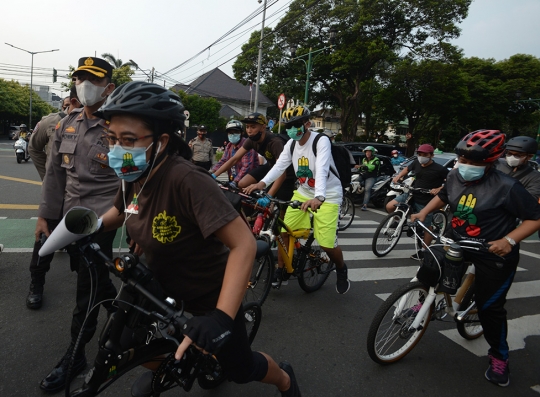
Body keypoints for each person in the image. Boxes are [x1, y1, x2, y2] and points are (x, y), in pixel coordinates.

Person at [93, 81, 301, 397]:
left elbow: (243, 244)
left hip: (209, 295)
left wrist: (219, 317)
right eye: (112, 139)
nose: (117, 149)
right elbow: (120, 213)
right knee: (126, 343)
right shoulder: (135, 176)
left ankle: (284, 379)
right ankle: (186, 357)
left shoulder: (185, 179)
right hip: (160, 288)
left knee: (240, 369)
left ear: (161, 141)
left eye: (129, 140)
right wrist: (87, 229)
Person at [411, 129, 540, 387]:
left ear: (491, 160)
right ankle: (424, 303)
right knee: (429, 268)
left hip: (492, 252)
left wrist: (509, 240)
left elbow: (534, 218)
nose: (465, 166)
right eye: (463, 159)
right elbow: (443, 196)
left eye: (474, 162)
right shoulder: (455, 175)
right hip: (458, 240)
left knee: (490, 307)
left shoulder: (508, 186)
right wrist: (423, 212)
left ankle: (499, 356)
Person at [37, 56, 119, 393]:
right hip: (69, 222)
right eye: (80, 79)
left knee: (85, 292)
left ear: (108, 88)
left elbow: (135, 182)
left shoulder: (120, 129)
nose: (84, 86)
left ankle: (75, 355)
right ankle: (120, 301)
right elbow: (55, 175)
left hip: (102, 223)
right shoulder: (65, 124)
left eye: (93, 81)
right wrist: (45, 215)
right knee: (93, 277)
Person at [244, 105, 350, 295]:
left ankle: (341, 268)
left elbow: (323, 168)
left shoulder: (321, 141)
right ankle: (283, 267)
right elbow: (279, 166)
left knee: (327, 244)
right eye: (288, 126)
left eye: (295, 125)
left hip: (328, 195)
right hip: (303, 192)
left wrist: (319, 197)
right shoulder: (291, 144)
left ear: (307, 123)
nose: (292, 129)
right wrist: (261, 183)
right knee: (284, 229)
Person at [25, 87, 82, 310]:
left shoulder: (99, 122)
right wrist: (46, 177)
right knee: (44, 240)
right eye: (68, 103)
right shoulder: (51, 123)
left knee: (81, 242)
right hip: (56, 193)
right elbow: (34, 148)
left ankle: (86, 284)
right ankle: (36, 285)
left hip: (80, 196)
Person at [387, 143, 448, 259]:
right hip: (411, 193)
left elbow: (450, 181)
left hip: (427, 200)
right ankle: (400, 221)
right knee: (390, 206)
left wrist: (438, 189)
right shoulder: (416, 163)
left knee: (427, 226)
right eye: (419, 154)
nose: (421, 156)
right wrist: (398, 176)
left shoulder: (440, 169)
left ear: (431, 155)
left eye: (425, 154)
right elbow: (407, 168)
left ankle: (424, 251)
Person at [211, 119, 259, 185]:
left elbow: (247, 166)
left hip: (247, 183)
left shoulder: (247, 145)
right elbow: (223, 161)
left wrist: (235, 181)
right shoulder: (229, 145)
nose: (232, 134)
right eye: (230, 132)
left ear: (242, 133)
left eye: (235, 132)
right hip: (233, 179)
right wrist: (212, 173)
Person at [495, 136, 540, 200]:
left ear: (529, 156)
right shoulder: (496, 164)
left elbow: (530, 200)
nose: (512, 157)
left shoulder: (536, 177)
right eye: (509, 153)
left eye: (518, 155)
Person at [354, 146, 380, 211]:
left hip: (371, 176)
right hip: (363, 175)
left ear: (372, 153)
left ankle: (365, 205)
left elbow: (371, 167)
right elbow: (362, 167)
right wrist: (358, 167)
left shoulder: (376, 160)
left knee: (367, 189)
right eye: (366, 152)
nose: (367, 153)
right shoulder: (364, 159)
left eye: (369, 152)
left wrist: (362, 166)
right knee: (354, 183)